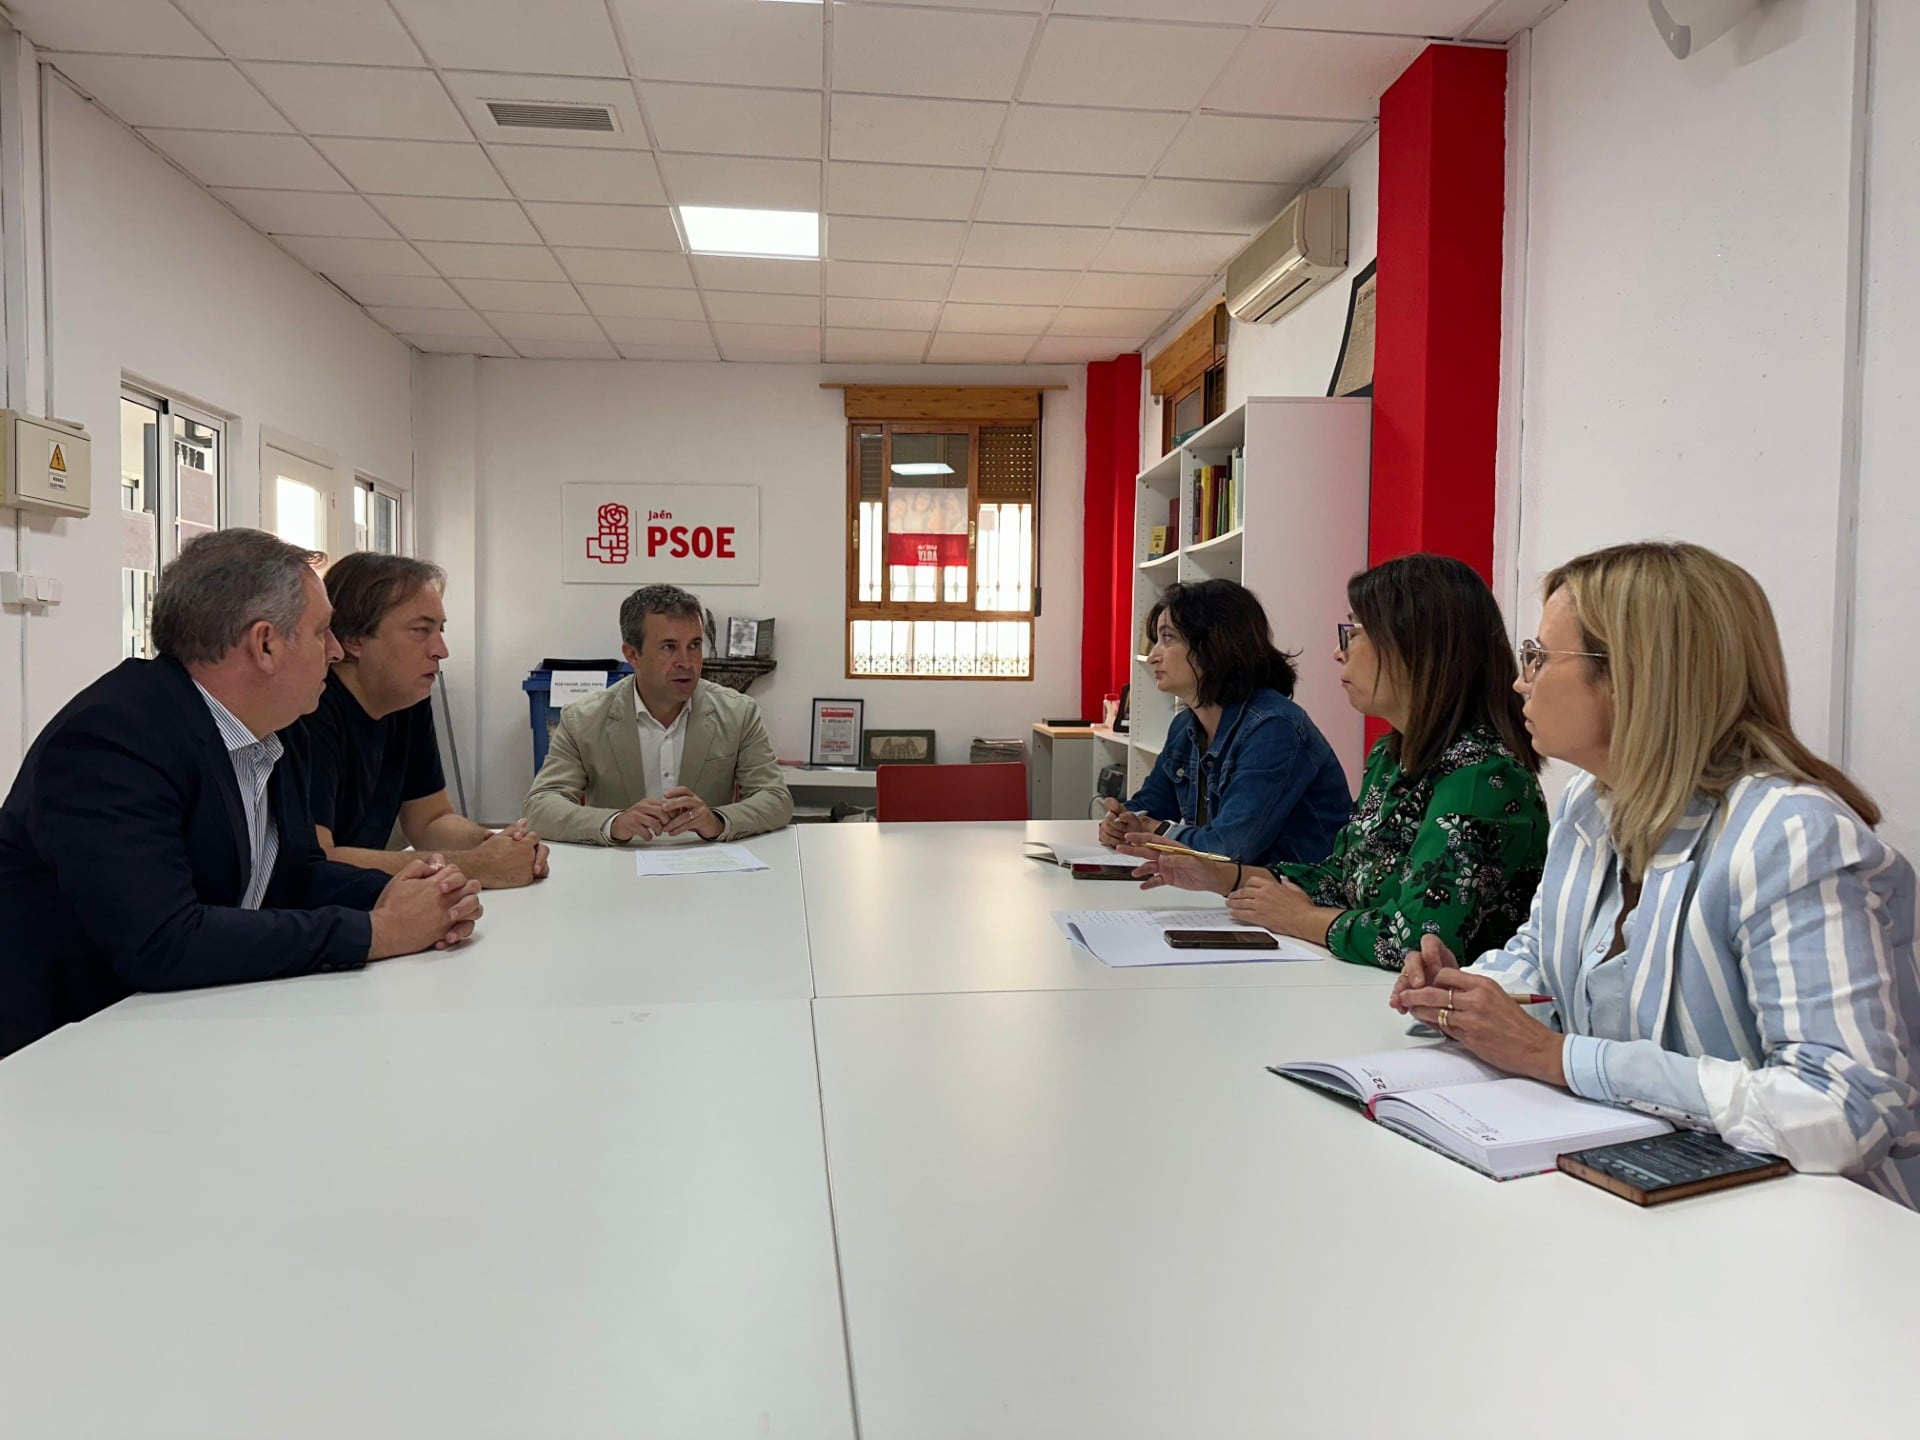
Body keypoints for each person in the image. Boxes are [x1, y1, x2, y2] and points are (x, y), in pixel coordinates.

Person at [1391, 541, 1920, 1205]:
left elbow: (1848, 1109)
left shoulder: (1788, 835)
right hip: (1657, 1192)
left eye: (1539, 657)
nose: (1521, 681)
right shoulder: (1591, 801)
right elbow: (1546, 951)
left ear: (1630, 677)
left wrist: (1556, 1057)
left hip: (1822, 1235)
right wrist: (1467, 991)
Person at [0, 529, 483, 1057]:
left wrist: (415, 894)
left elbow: (295, 874)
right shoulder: (114, 738)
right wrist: (378, 931)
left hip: (186, 1027)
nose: (336, 649)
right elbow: (164, 941)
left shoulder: (277, 729)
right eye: (322, 631)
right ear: (265, 644)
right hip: (60, 1055)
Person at [1127, 554, 1548, 966]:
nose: (1338, 651)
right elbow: (1340, 878)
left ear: (1416, 647)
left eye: (1355, 632)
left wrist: (1303, 919)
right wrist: (1224, 877)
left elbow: (1417, 942)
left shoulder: (1480, 775)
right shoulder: (1391, 756)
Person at [304, 552, 548, 887]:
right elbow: (316, 860)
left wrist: (494, 845)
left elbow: (430, 820)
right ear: (354, 640)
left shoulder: (407, 699)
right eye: (421, 630)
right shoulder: (310, 710)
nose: (441, 650)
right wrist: (474, 865)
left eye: (440, 630)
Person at [1096, 580, 1350, 867]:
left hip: (1296, 899)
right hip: (1234, 894)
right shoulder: (1185, 726)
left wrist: (1152, 830)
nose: (1154, 655)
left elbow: (1228, 850)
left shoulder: (1273, 728)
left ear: (1213, 646)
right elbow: (1148, 806)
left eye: (1167, 638)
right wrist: (1119, 822)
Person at [523, 583, 793, 845]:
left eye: (694, 645)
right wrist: (613, 823)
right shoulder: (582, 720)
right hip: (617, 869)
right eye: (669, 647)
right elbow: (541, 806)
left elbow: (775, 798)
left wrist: (718, 820)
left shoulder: (738, 713)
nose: (686, 662)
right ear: (632, 654)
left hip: (706, 869)